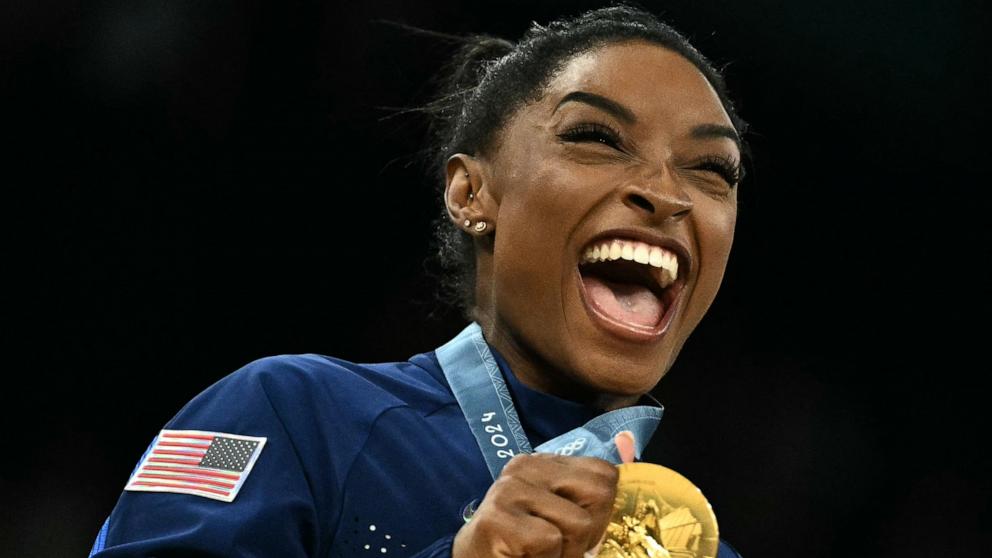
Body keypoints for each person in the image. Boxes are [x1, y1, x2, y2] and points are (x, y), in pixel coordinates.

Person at [89, 5, 748, 557]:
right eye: (597, 136)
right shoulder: (291, 416)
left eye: (712, 169)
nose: (668, 194)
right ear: (471, 193)